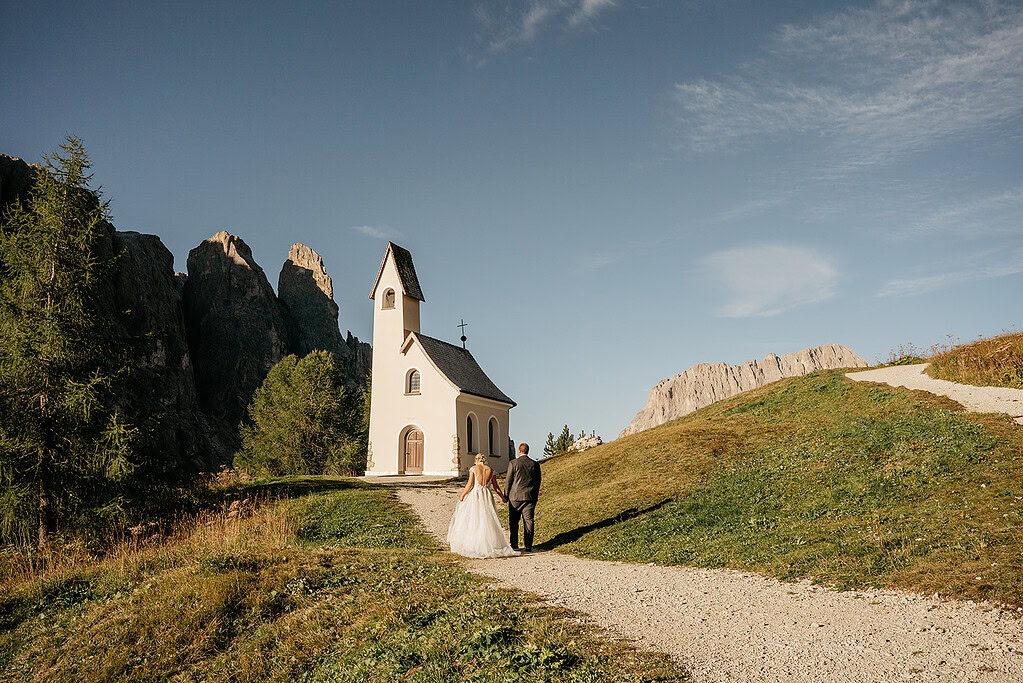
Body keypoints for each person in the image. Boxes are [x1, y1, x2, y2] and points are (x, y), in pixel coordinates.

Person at [446, 453, 520, 558]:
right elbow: (496, 487)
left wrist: (462, 495)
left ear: (476, 460)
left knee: (474, 518)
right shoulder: (491, 470)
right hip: (486, 494)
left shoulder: (473, 469)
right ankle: (490, 544)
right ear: (485, 460)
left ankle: (474, 544)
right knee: (487, 518)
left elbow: (470, 484)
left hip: (476, 494)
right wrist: (503, 497)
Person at [505, 442, 541, 551]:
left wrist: (506, 495)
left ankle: (514, 544)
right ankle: (528, 545)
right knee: (529, 521)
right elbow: (538, 481)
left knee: (514, 521)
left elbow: (508, 481)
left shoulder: (513, 463)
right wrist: (535, 494)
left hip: (515, 497)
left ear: (519, 451)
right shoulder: (535, 464)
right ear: (527, 451)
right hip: (530, 497)